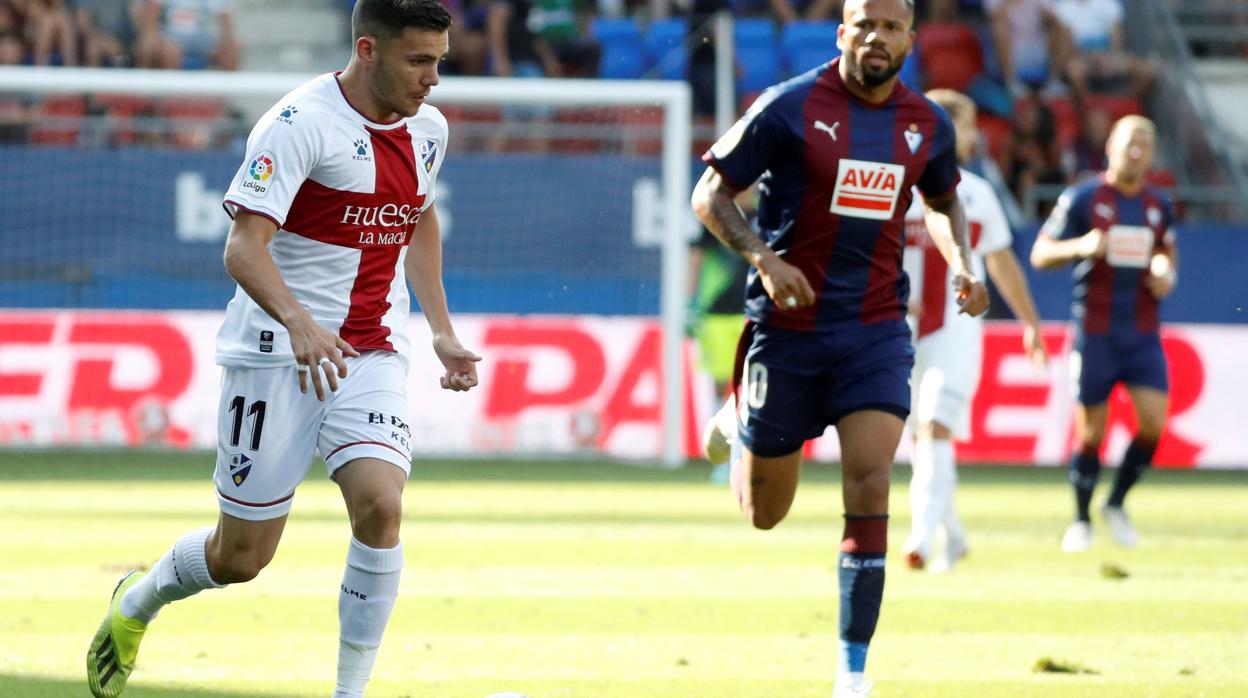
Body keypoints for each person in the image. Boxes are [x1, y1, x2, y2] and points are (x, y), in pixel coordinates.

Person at [86, 2, 482, 697]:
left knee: (382, 508)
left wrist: (441, 327)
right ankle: (137, 600)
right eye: (420, 60)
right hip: (275, 354)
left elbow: (417, 216)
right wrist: (298, 320)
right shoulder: (299, 124)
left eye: (439, 61)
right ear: (368, 49)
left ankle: (348, 693)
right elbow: (243, 248)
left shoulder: (429, 128)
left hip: (371, 350)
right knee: (240, 558)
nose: (433, 79)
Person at [691, 1, 989, 695]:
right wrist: (765, 258)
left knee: (871, 480)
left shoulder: (927, 124)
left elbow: (943, 203)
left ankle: (852, 674)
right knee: (766, 516)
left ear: (911, 40)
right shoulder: (786, 107)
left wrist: (965, 263)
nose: (877, 38)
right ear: (842, 33)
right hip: (787, 330)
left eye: (891, 27)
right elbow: (711, 194)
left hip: (875, 329)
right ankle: (739, 418)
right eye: (865, 25)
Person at [899, 88, 1047, 572]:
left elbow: (1003, 264)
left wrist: (1030, 324)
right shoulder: (897, 187)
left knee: (933, 425)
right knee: (923, 440)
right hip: (898, 330)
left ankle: (919, 539)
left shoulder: (978, 194)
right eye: (960, 124)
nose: (969, 136)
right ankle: (955, 537)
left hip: (957, 331)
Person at [1030, 115, 1176, 553]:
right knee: (1091, 432)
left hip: (1142, 332)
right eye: (1130, 141)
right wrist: (1080, 246)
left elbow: (1167, 254)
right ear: (1111, 145)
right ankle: (1080, 519)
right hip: (1095, 331)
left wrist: (1166, 273)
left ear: (1152, 154)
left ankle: (1115, 503)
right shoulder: (1083, 198)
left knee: (1153, 424)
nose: (1137, 150)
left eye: (1146, 144)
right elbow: (1040, 253)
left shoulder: (1158, 204)